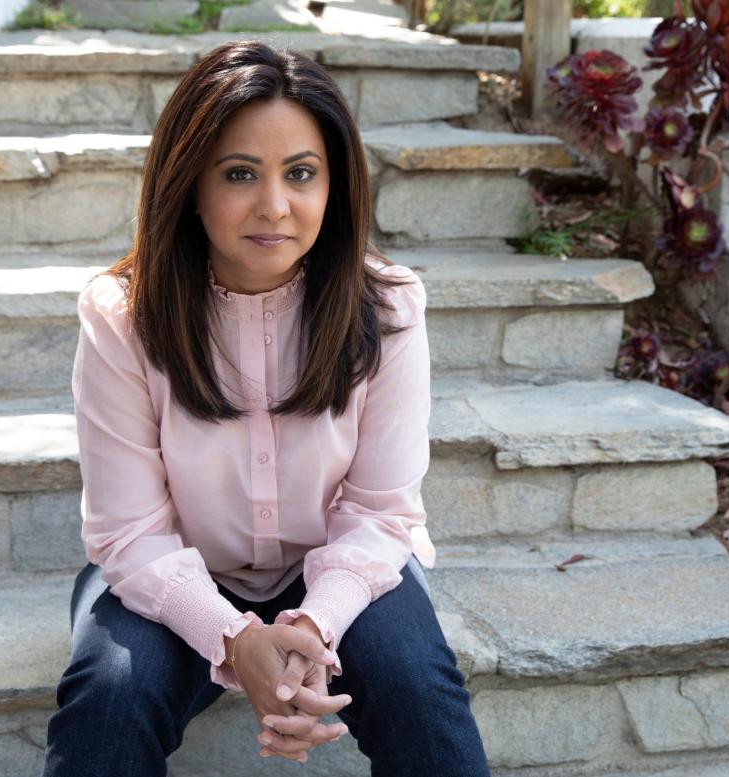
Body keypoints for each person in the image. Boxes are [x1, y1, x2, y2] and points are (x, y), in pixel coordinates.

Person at [41, 39, 492, 777]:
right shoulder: (122, 316)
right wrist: (233, 638)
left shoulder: (389, 308)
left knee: (422, 692)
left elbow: (381, 514)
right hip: (169, 568)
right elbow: (129, 532)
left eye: (302, 174)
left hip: (343, 566)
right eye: (240, 173)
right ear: (189, 183)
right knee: (110, 695)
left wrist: (313, 623)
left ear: (335, 186)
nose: (275, 207)